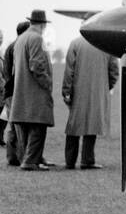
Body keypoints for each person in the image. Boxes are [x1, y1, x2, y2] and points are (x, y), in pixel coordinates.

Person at [62, 27, 119, 169]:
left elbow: (69, 70)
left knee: (73, 126)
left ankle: (70, 161)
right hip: (98, 92)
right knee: (92, 125)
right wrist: (106, 88)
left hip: (78, 92)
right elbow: (114, 71)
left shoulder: (75, 43)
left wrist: (66, 92)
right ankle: (87, 160)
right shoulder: (107, 45)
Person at [10, 10, 56, 171]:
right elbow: (36, 65)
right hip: (35, 93)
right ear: (43, 24)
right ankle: (30, 161)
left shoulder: (21, 39)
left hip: (21, 93)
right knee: (38, 128)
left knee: (25, 128)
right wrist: (47, 83)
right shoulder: (37, 38)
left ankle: (32, 159)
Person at [1, 20, 27, 166]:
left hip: (8, 91)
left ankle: (12, 157)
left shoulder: (11, 46)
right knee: (19, 126)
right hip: (15, 91)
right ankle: (23, 157)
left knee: (12, 124)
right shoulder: (18, 46)